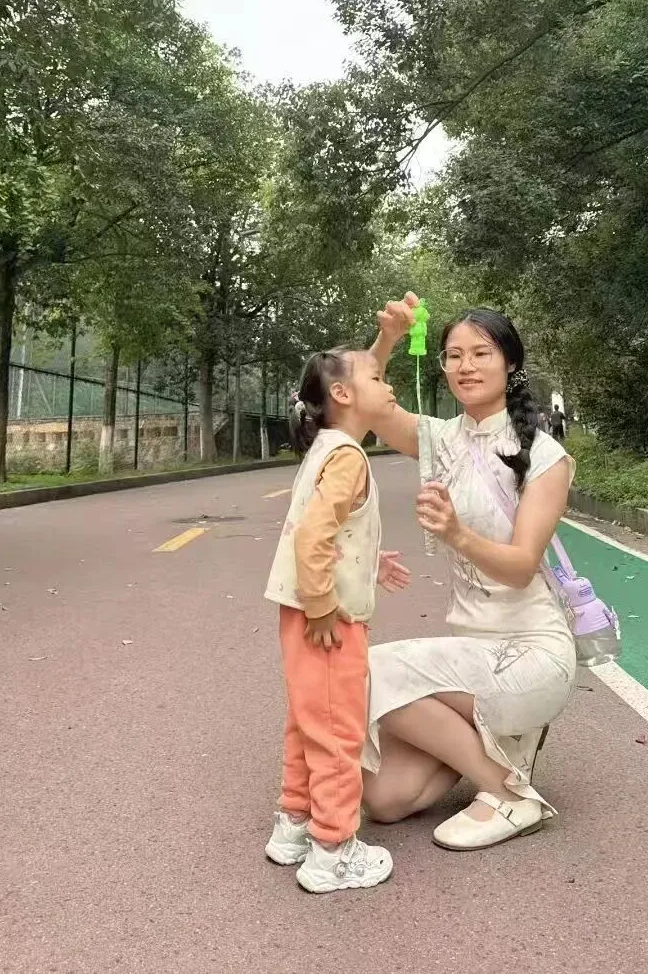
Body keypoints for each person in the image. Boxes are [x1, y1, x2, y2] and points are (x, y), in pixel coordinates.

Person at [361, 296, 577, 851]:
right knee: (386, 800)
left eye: (481, 353)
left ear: (510, 362)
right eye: (454, 355)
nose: (466, 366)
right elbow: (366, 403)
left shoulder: (545, 457)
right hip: (469, 654)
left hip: (530, 653)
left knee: (369, 670)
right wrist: (387, 339)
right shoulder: (440, 439)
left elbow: (521, 567)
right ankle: (498, 741)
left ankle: (508, 791)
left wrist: (457, 534)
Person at [263, 346, 411, 893]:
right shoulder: (348, 456)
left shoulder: (326, 446)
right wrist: (324, 604)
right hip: (327, 618)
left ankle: (295, 823)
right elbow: (312, 535)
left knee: (308, 719)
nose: (388, 384)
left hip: (299, 611)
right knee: (338, 729)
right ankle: (333, 849)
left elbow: (333, 530)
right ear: (344, 394)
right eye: (378, 376)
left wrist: (370, 561)